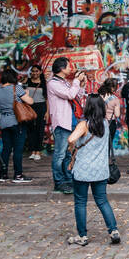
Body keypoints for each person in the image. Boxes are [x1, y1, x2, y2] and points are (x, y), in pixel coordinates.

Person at [66, 94, 122, 246]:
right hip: (100, 170)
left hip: (83, 170)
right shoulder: (105, 123)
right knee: (102, 201)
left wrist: (73, 146)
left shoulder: (84, 125)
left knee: (80, 202)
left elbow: (71, 139)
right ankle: (113, 230)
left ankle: (82, 236)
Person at [47, 57, 84, 194]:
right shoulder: (53, 83)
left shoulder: (64, 82)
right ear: (62, 68)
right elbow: (70, 94)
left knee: (69, 154)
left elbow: (77, 95)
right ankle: (59, 182)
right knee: (60, 155)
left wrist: (81, 84)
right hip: (62, 123)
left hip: (71, 121)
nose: (71, 69)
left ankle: (69, 180)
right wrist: (76, 81)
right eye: (69, 66)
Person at [0, 67, 33, 183]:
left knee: (6, 149)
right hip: (17, 121)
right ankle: (18, 175)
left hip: (4, 122)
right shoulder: (16, 88)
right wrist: (26, 94)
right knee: (18, 150)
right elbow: (30, 101)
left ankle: (3, 174)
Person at [23, 63, 47, 160]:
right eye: (33, 71)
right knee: (30, 129)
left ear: (40, 72)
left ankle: (38, 151)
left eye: (36, 71)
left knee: (40, 129)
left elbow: (47, 99)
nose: (34, 73)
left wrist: (47, 112)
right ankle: (32, 151)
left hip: (41, 107)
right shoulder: (27, 81)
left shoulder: (44, 83)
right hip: (29, 107)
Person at [99, 77, 123, 154]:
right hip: (110, 123)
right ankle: (105, 162)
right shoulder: (115, 100)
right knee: (108, 144)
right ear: (113, 88)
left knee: (99, 144)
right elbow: (117, 114)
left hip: (99, 122)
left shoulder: (98, 97)